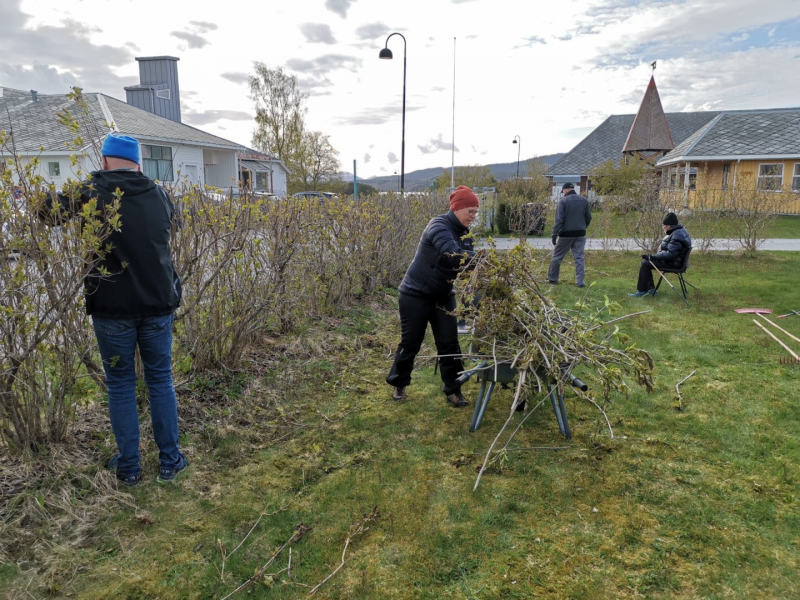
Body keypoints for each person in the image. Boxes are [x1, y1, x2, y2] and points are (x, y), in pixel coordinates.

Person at [40, 133, 186, 486]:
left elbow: (46, 213)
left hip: (112, 308)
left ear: (104, 160)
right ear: (137, 163)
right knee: (160, 379)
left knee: (120, 384)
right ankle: (170, 461)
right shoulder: (158, 194)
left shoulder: (90, 192)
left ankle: (130, 468)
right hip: (157, 304)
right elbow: (173, 226)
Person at [386, 185, 479, 407]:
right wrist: (482, 258)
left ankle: (453, 390)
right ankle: (399, 383)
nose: (474, 217)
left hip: (443, 295)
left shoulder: (465, 236)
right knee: (411, 342)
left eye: (476, 212)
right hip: (415, 294)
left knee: (449, 342)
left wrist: (476, 288)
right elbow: (451, 253)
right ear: (456, 208)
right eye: (471, 211)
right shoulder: (438, 225)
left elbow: (467, 268)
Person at [629, 212, 691, 297]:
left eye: (663, 225)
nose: (663, 227)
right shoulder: (679, 231)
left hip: (674, 264)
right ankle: (650, 289)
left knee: (645, 263)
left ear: (668, 226)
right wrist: (655, 257)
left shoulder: (676, 235)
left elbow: (670, 254)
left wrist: (653, 257)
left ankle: (642, 290)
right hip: (677, 261)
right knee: (647, 262)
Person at [548, 182, 592, 287]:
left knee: (557, 256)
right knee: (579, 258)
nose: (563, 193)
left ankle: (553, 279)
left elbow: (559, 220)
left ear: (565, 190)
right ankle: (580, 282)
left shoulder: (562, 201)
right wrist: (583, 227)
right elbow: (589, 217)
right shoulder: (583, 200)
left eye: (563, 191)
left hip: (566, 234)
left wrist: (554, 234)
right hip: (580, 233)